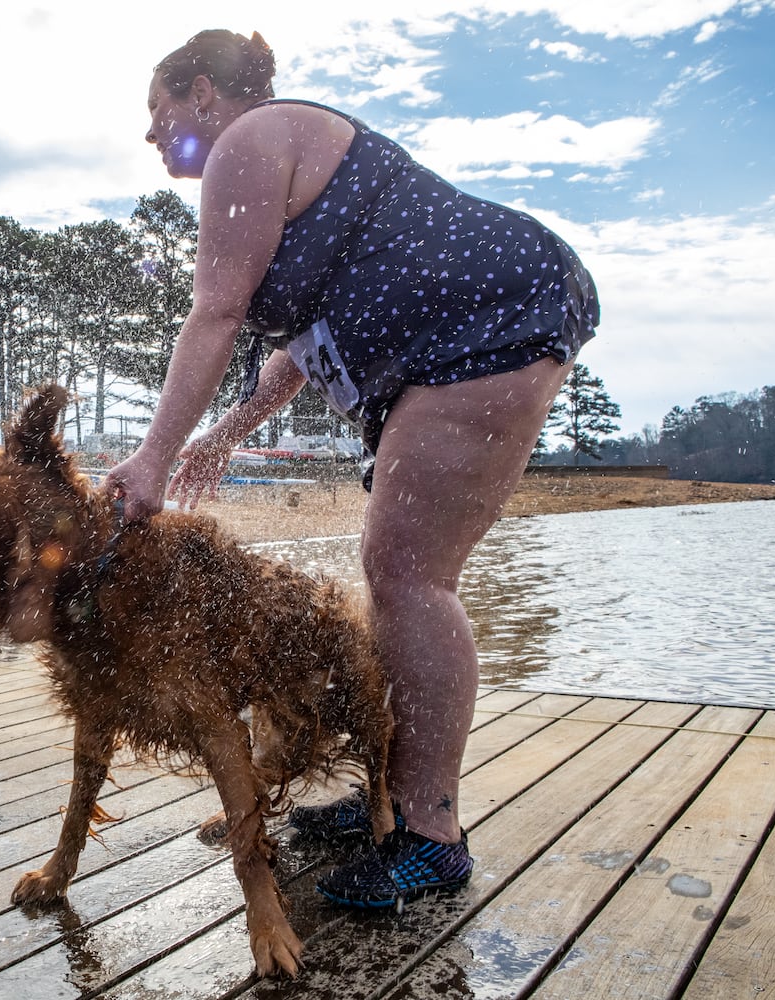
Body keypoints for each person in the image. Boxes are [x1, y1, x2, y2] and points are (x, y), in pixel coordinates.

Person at [105, 29, 599, 910]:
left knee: (408, 575)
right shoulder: (267, 159)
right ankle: (391, 798)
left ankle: (431, 837)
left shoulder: (249, 141)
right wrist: (230, 430)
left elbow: (213, 316)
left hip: (482, 319)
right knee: (398, 575)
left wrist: (153, 459)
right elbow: (297, 343)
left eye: (159, 109)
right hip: (484, 320)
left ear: (206, 94)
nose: (152, 133)